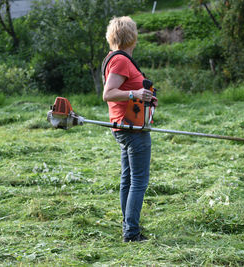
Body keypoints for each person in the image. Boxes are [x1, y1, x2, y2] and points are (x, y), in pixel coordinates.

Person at [102, 16, 157, 242]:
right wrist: (135, 94)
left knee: (128, 179)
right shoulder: (121, 61)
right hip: (131, 130)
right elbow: (109, 93)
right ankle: (132, 233)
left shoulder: (114, 58)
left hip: (125, 127)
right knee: (139, 181)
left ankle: (128, 227)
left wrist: (146, 98)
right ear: (132, 37)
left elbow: (122, 90)